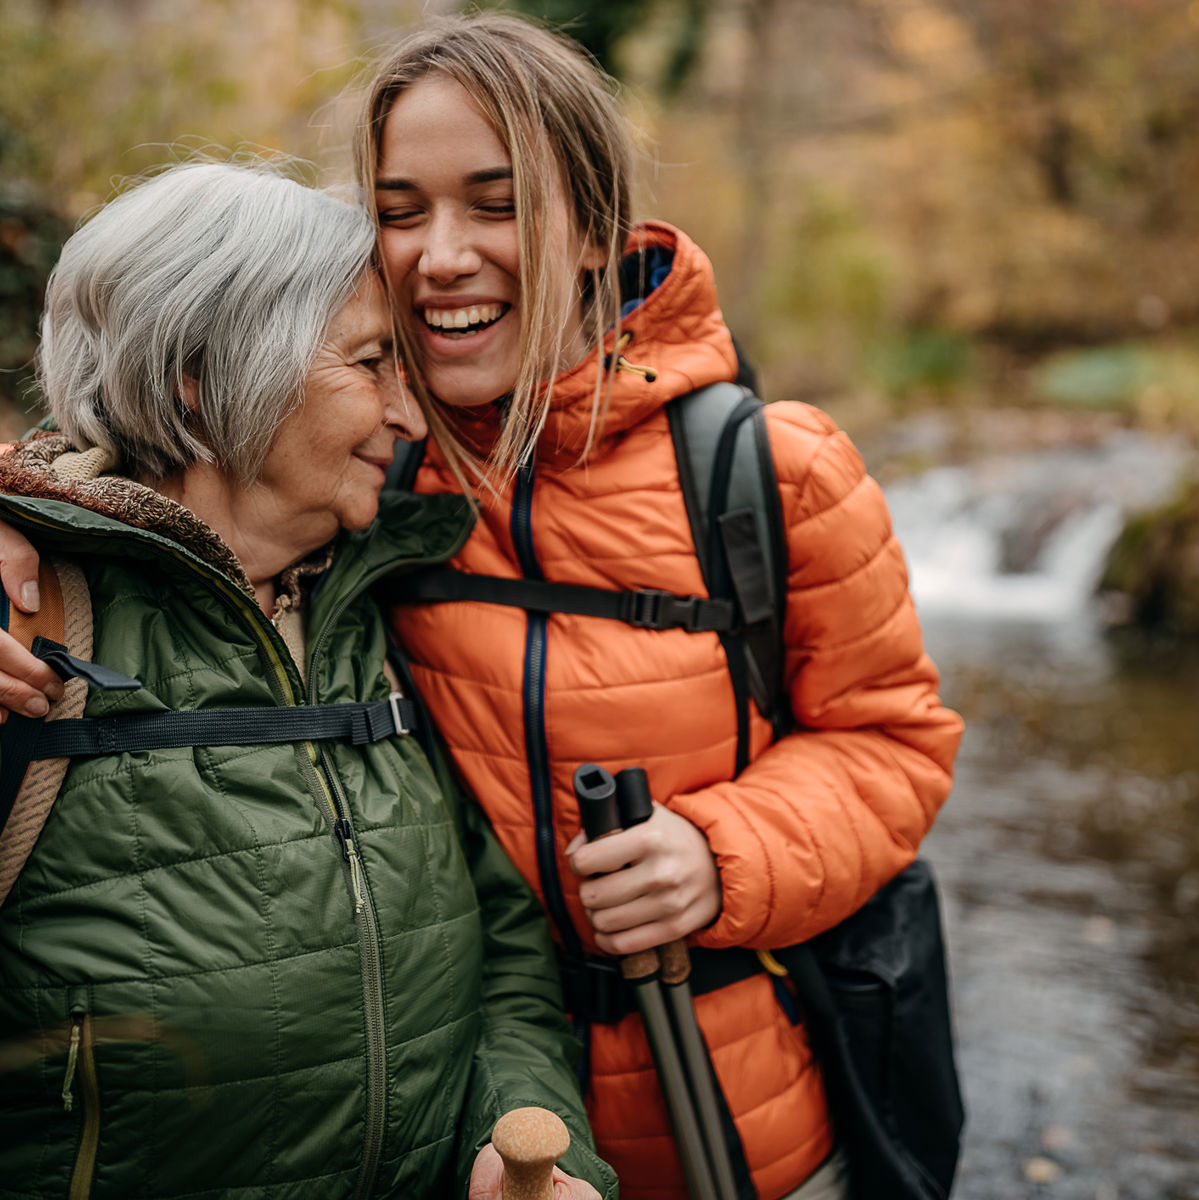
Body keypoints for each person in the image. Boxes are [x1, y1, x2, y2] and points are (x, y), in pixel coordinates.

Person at [0, 12, 965, 1199]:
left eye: (496, 204)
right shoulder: (357, 478)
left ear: (596, 222)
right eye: (399, 211)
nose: (439, 255)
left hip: (733, 1111)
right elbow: (143, 439)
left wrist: (726, 853)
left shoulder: (768, 472)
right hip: (461, 1127)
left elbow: (896, 744)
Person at [0, 160, 613, 1200]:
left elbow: (504, 958)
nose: (407, 415)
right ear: (204, 375)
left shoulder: (381, 616)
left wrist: (530, 1150)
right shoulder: (29, 628)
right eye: (371, 361)